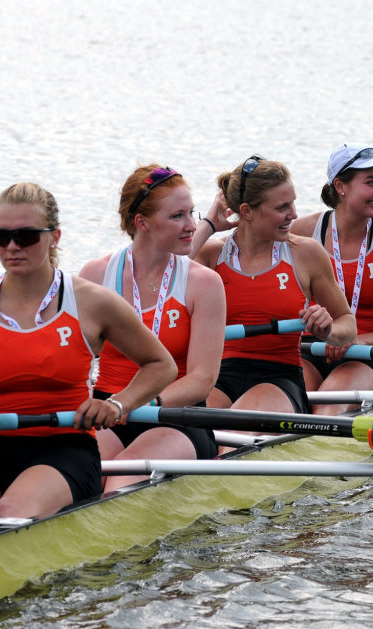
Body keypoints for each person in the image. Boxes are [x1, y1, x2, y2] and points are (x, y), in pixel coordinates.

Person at [0, 183, 176, 546]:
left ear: (54, 237)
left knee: (9, 512)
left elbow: (161, 365)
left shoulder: (92, 302)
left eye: (26, 236)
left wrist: (116, 404)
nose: (12, 247)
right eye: (2, 236)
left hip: (65, 446)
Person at [80, 165, 225, 490]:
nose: (192, 226)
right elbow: (72, 360)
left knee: (121, 476)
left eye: (191, 213)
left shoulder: (204, 283)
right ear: (141, 223)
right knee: (79, 474)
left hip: (178, 417)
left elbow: (202, 380)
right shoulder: (95, 276)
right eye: (177, 216)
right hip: (109, 412)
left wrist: (137, 403)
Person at [192, 157, 356, 415]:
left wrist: (328, 331)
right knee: (196, 431)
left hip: (279, 378)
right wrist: (208, 225)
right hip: (217, 376)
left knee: (231, 431)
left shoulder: (305, 253)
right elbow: (164, 274)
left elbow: (348, 324)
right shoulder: (211, 255)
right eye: (283, 207)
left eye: (293, 203)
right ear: (246, 212)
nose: (294, 214)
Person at [288, 144, 373, 414]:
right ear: (340, 186)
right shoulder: (302, 231)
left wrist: (357, 341)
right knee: (294, 405)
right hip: (309, 350)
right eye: (371, 182)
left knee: (328, 405)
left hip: (368, 355)